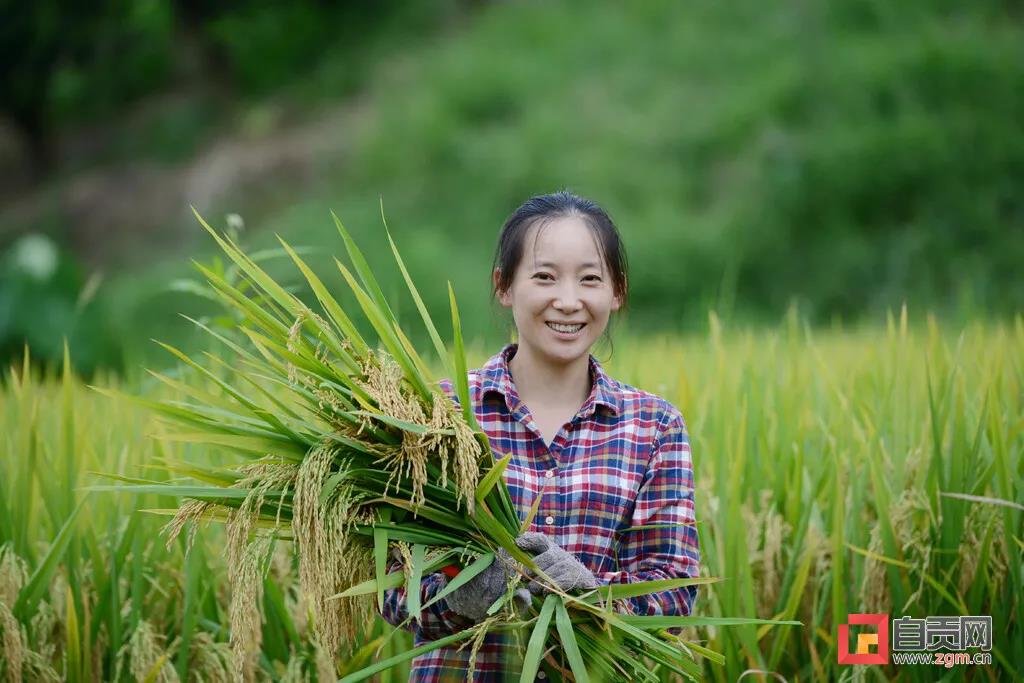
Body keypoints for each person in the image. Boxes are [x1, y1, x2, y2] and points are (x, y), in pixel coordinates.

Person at [381, 190, 700, 681]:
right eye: (544, 277)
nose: (568, 301)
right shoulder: (437, 417)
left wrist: (591, 596)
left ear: (617, 291)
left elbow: (676, 592)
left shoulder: (653, 427)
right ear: (504, 286)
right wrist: (459, 596)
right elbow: (392, 586)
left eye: (590, 279)